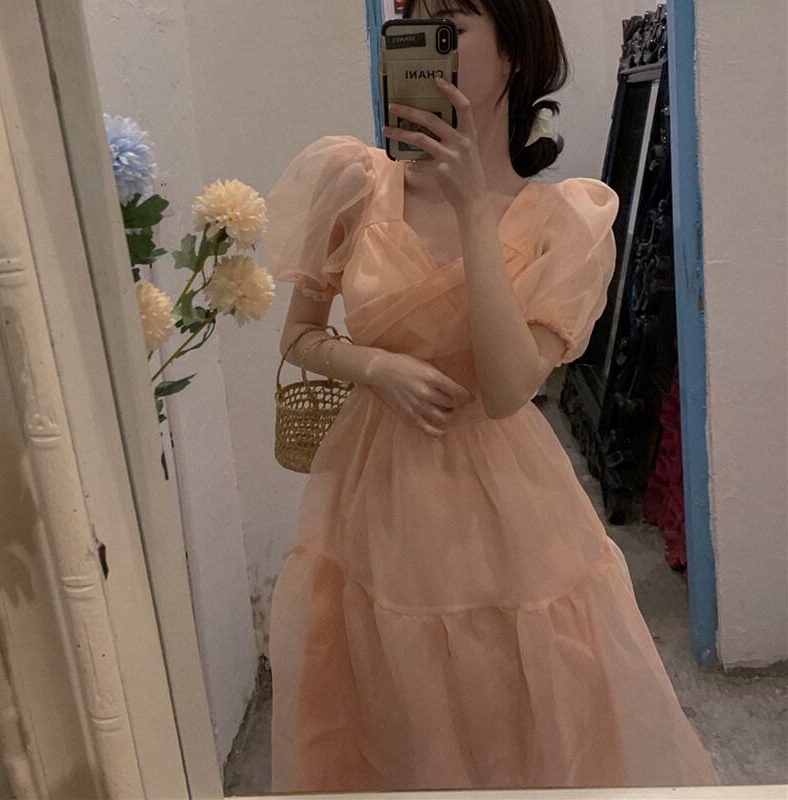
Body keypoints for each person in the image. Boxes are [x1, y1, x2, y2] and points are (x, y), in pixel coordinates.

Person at [262, 0, 721, 791]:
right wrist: (376, 368)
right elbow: (298, 337)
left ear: (513, 52)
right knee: (392, 698)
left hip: (506, 502)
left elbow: (509, 390)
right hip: (379, 492)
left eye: (451, 25)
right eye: (412, 23)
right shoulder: (355, 185)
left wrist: (475, 208)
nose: (425, 44)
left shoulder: (564, 222)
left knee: (515, 701)